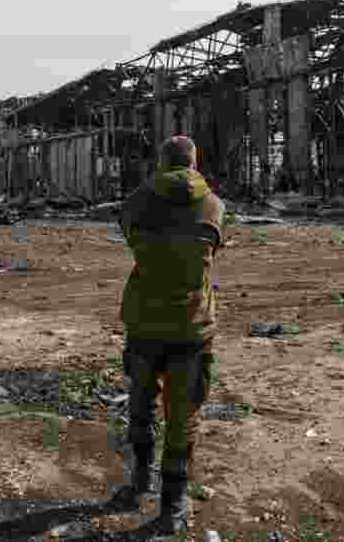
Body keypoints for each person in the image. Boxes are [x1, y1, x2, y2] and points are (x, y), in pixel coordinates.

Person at [111, 135, 225, 535]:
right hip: (193, 328)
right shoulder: (214, 205)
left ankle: (138, 482)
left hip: (144, 323)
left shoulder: (136, 202)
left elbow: (128, 234)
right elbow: (213, 251)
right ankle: (172, 507)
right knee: (183, 419)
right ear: (194, 163)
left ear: (161, 162)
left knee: (141, 407)